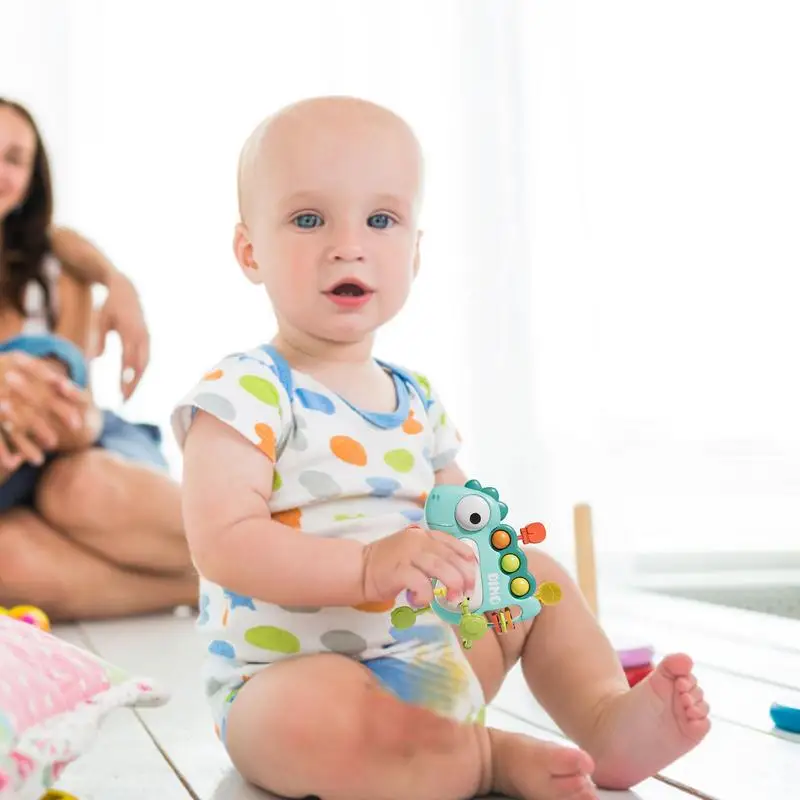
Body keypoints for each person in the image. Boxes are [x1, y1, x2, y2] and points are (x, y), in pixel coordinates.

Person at [172, 96, 710, 800]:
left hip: (433, 660)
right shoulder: (247, 389)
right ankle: (485, 758)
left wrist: (486, 559)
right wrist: (365, 567)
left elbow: (465, 527)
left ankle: (605, 718)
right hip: (290, 680)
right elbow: (224, 542)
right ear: (251, 252)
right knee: (312, 709)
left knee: (536, 579)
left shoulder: (416, 399)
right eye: (309, 219)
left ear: (416, 253)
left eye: (381, 220)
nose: (348, 244)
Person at [0, 96, 196, 620]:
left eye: (14, 158)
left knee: (78, 488)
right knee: (6, 559)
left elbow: (80, 420)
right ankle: (208, 588)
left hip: (77, 448)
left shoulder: (58, 268)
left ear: (31, 180)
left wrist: (114, 279)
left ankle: (311, 551)